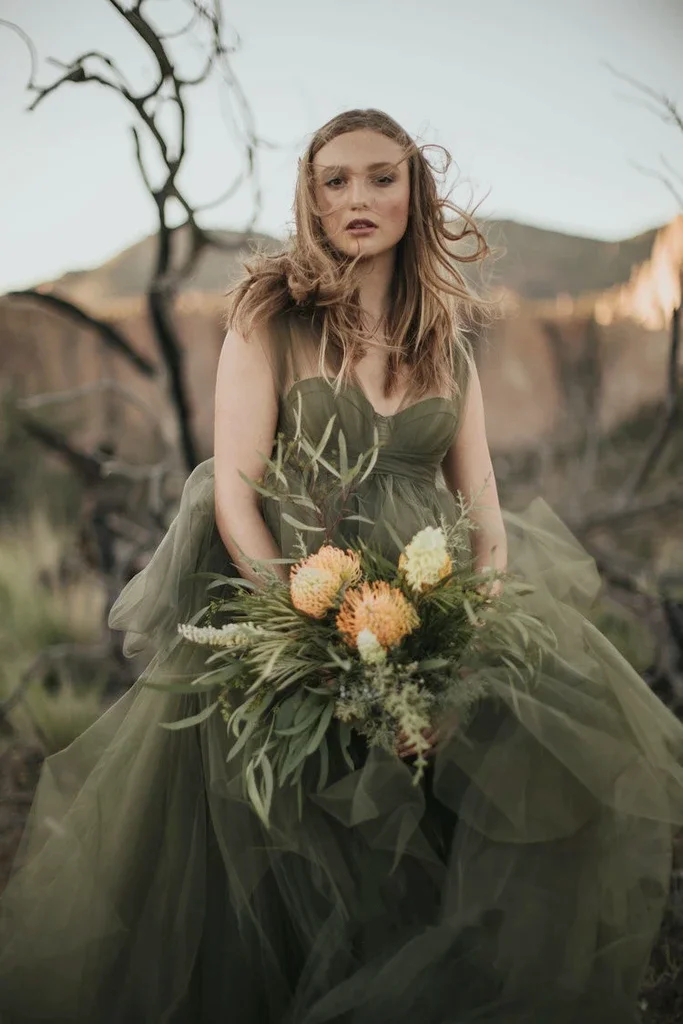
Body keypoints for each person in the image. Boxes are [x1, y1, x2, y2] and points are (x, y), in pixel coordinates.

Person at [1, 108, 682, 1024]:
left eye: (379, 177)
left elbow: (482, 508)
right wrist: (308, 623)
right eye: (334, 180)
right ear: (310, 198)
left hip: (432, 613)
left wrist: (460, 638)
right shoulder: (266, 319)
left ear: (413, 191)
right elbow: (235, 495)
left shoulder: (446, 337)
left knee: (484, 823)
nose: (357, 197)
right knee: (296, 860)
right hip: (294, 612)